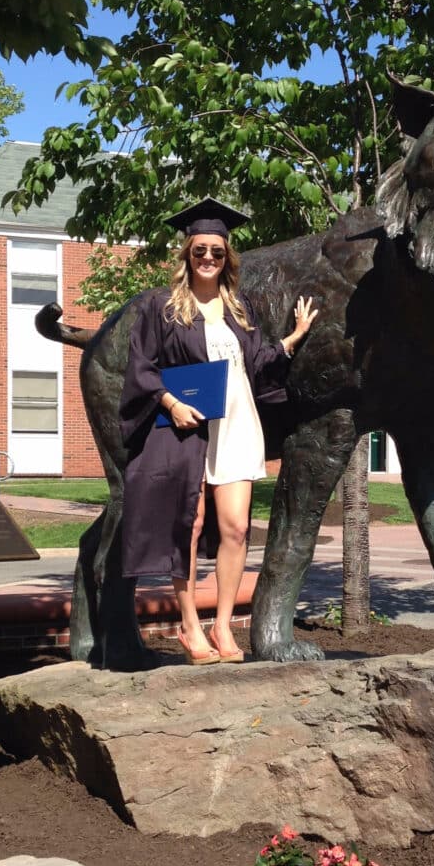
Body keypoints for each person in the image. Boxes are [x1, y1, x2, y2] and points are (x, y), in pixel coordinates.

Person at [118, 197, 318, 665]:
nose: (208, 258)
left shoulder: (239, 307)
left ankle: (224, 627)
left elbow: (255, 366)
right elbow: (141, 367)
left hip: (237, 424)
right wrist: (170, 402)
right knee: (190, 525)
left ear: (227, 257)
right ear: (187, 254)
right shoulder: (161, 307)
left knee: (236, 526)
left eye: (217, 251)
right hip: (185, 429)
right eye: (199, 250)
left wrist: (292, 337)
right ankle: (189, 627)